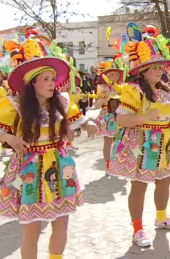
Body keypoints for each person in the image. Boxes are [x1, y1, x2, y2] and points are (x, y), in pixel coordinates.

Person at [0, 38, 97, 259]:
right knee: (32, 229)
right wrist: (8, 137)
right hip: (30, 170)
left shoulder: (61, 101)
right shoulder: (14, 105)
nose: (52, 83)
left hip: (61, 167)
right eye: (46, 79)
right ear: (32, 83)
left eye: (53, 78)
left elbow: (78, 119)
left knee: (62, 222)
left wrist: (88, 123)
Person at [107, 25, 170, 247]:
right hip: (140, 144)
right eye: (153, 67)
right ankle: (138, 229)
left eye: (160, 66)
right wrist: (147, 115)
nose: (159, 70)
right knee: (139, 187)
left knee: (164, 182)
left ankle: (161, 219)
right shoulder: (133, 91)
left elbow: (167, 120)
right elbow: (121, 120)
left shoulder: (166, 90)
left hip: (163, 141)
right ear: (142, 71)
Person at [88, 58, 125, 173]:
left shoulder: (122, 87)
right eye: (111, 74)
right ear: (105, 75)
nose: (114, 76)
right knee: (108, 141)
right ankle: (108, 164)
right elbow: (97, 105)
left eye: (116, 74)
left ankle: (120, 163)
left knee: (121, 140)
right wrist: (102, 99)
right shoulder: (102, 88)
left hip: (120, 116)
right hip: (108, 117)